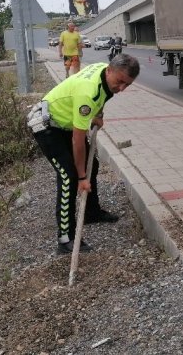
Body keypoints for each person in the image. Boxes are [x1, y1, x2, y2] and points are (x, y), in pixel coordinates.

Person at [28, 54, 140, 254]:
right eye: (120, 82)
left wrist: (97, 115)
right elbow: (78, 140)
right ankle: (65, 240)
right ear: (109, 71)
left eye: (127, 85)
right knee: (68, 177)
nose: (122, 89)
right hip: (47, 127)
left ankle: (91, 213)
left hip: (65, 121)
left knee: (93, 165)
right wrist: (81, 177)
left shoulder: (105, 72)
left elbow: (105, 93)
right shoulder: (87, 93)